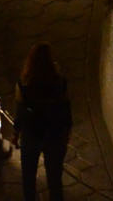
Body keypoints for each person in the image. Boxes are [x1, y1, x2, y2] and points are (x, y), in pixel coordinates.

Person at [15, 43, 72, 201]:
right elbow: (66, 109)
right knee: (55, 180)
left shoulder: (24, 84)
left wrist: (16, 132)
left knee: (28, 179)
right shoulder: (60, 83)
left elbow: (20, 112)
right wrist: (67, 132)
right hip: (54, 135)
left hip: (31, 134)